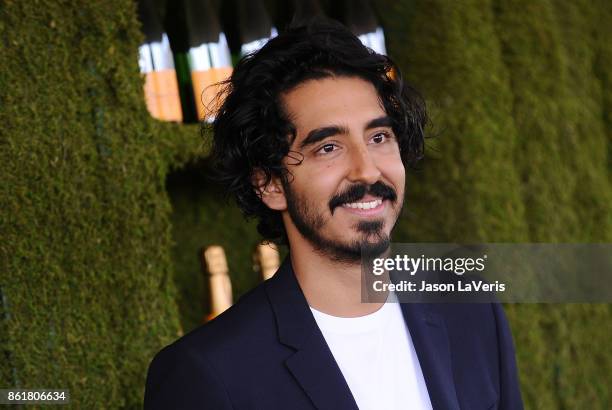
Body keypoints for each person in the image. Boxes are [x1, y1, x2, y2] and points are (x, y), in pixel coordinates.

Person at [144, 18, 523, 410]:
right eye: (328, 147)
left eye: (379, 137)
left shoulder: (472, 315)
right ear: (270, 185)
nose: (367, 170)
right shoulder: (208, 375)